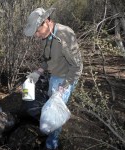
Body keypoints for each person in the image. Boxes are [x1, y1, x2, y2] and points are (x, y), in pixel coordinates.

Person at [23, 7, 83, 150]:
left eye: (37, 31)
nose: (36, 35)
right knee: (49, 107)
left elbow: (77, 66)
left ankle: (52, 144)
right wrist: (38, 71)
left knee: (54, 114)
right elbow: (47, 59)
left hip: (64, 79)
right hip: (53, 76)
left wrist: (64, 87)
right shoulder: (45, 37)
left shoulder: (64, 35)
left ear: (46, 22)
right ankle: (49, 131)